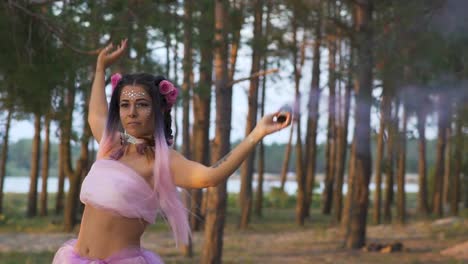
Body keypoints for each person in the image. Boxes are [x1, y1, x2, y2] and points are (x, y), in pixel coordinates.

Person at [52, 39, 291, 264]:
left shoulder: (160, 159)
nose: (131, 112)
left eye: (142, 104)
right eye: (125, 105)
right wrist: (99, 68)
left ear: (159, 111)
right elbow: (95, 116)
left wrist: (257, 133)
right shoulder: (113, 145)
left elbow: (210, 176)